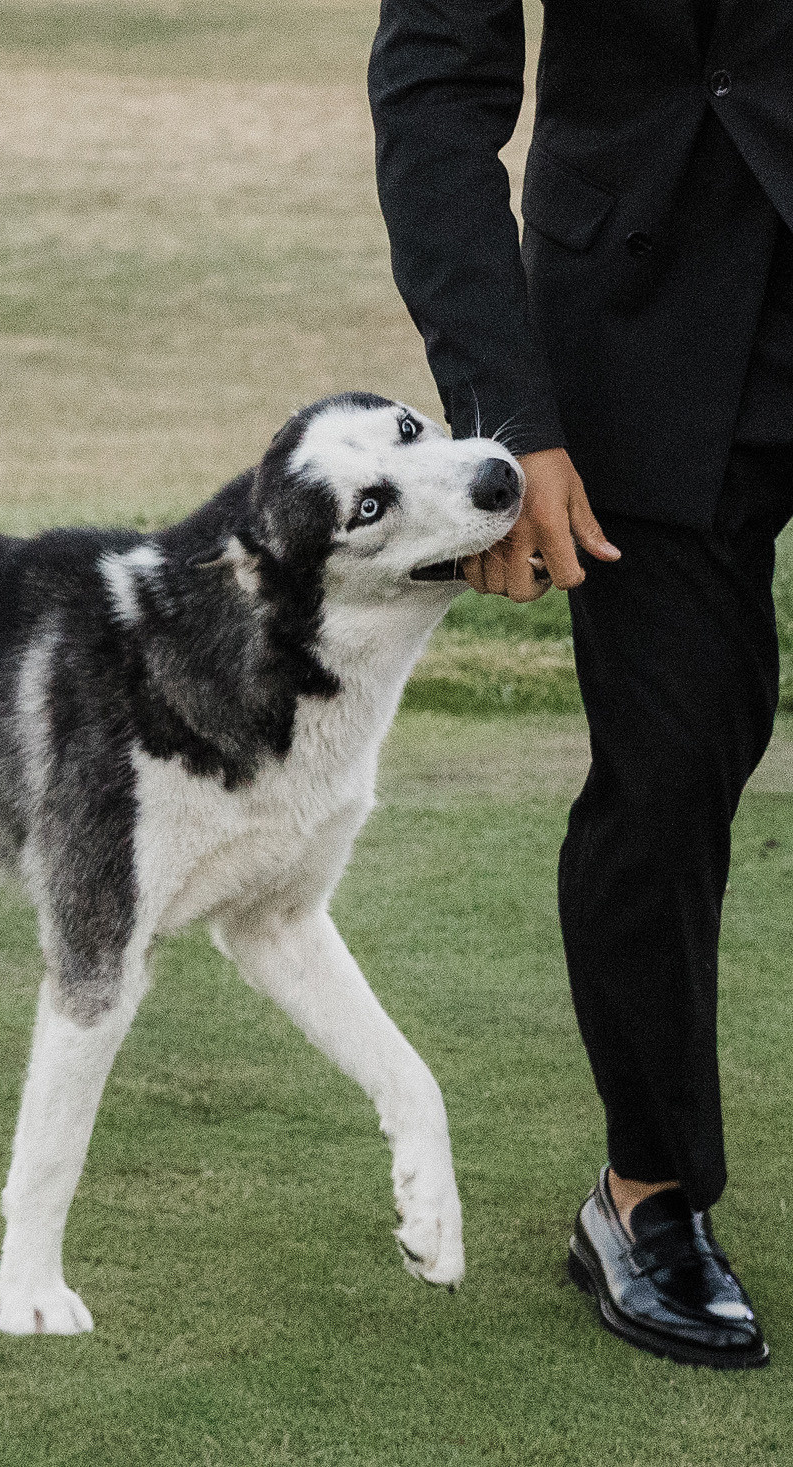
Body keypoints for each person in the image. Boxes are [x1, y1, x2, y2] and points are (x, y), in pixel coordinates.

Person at [371, 0, 787, 1369]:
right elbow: (437, 87)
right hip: (639, 325)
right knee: (667, 775)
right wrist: (510, 419)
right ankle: (648, 1195)